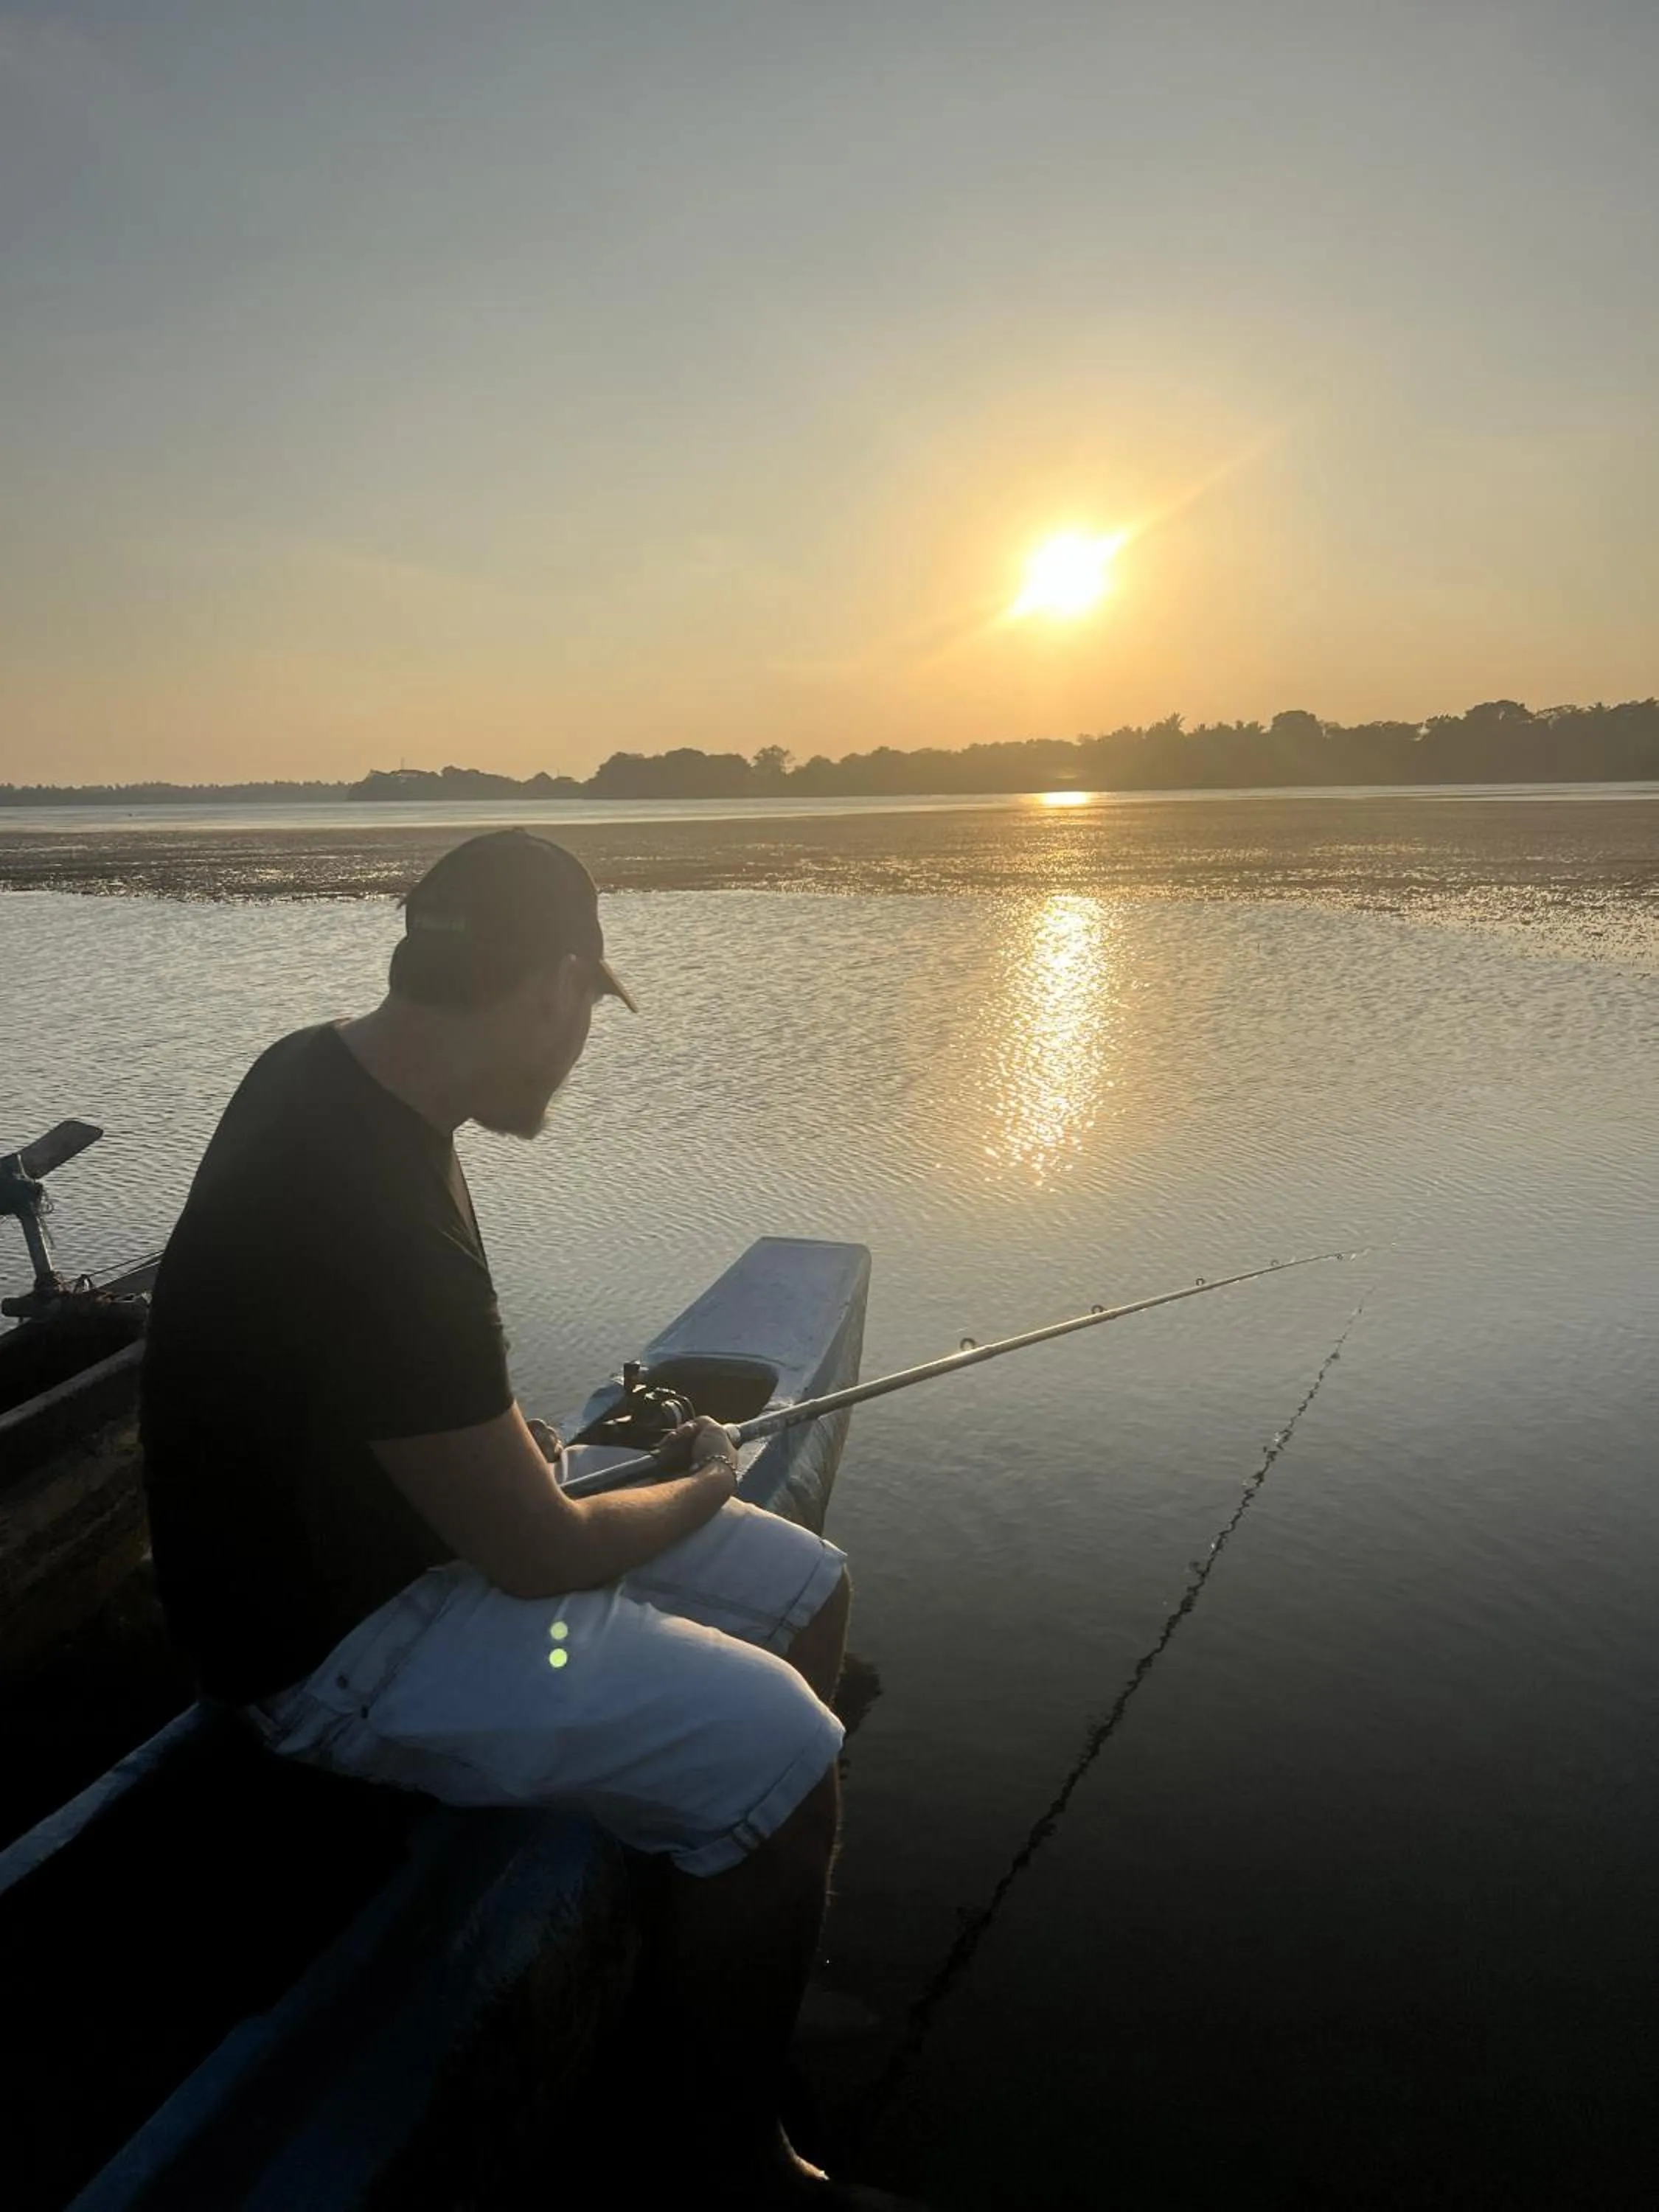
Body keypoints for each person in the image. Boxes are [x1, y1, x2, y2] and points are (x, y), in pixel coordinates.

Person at [140, 830, 914, 2208]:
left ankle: (714, 1890)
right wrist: (705, 1479)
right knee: (792, 1750)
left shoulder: (319, 1075)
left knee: (808, 1590)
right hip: (327, 1653)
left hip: (384, 1542)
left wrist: (505, 1447)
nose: (579, 1049)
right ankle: (729, 2163)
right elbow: (537, 1553)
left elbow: (332, 1377)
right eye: (589, 1011)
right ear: (557, 984)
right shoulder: (382, 1203)